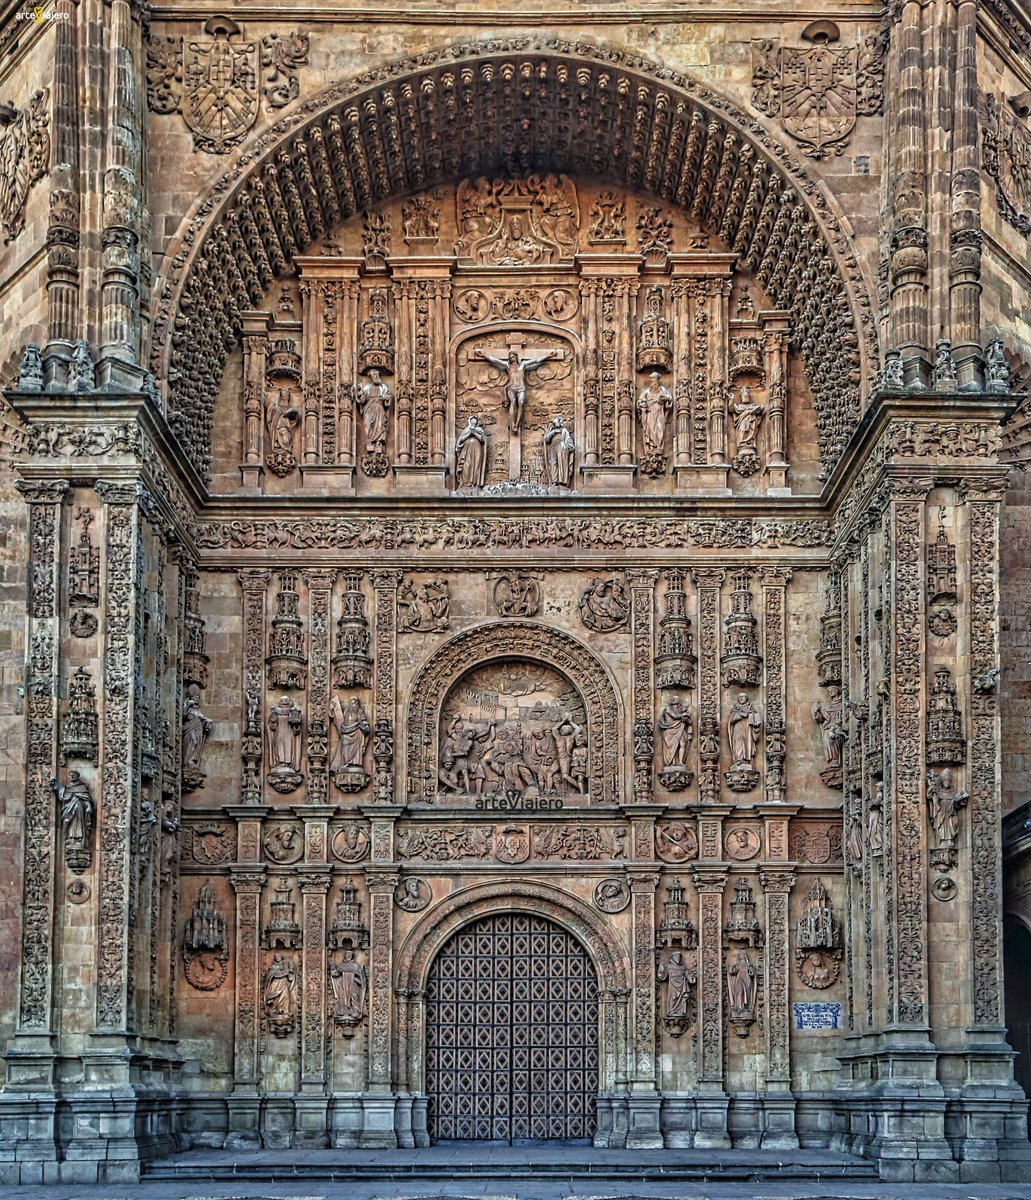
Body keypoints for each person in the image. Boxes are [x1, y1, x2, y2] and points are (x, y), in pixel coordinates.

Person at [475, 345, 565, 433]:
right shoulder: (508, 366)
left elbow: (536, 360)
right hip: (511, 387)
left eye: (513, 357)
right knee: (513, 402)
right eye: (510, 357)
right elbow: (495, 360)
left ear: (516, 357)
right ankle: (513, 423)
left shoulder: (523, 365)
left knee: (521, 403)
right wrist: (484, 355)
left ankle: (517, 423)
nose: (511, 358)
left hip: (521, 388)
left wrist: (548, 355)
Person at [455, 416, 489, 487]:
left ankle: (474, 483)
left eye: (475, 419)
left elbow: (483, 440)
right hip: (467, 449)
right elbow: (461, 439)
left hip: (477, 448)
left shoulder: (479, 429)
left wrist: (474, 433)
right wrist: (469, 434)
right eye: (473, 419)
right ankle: (465, 483)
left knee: (477, 464)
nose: (474, 420)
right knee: (466, 464)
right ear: (470, 420)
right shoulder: (467, 429)